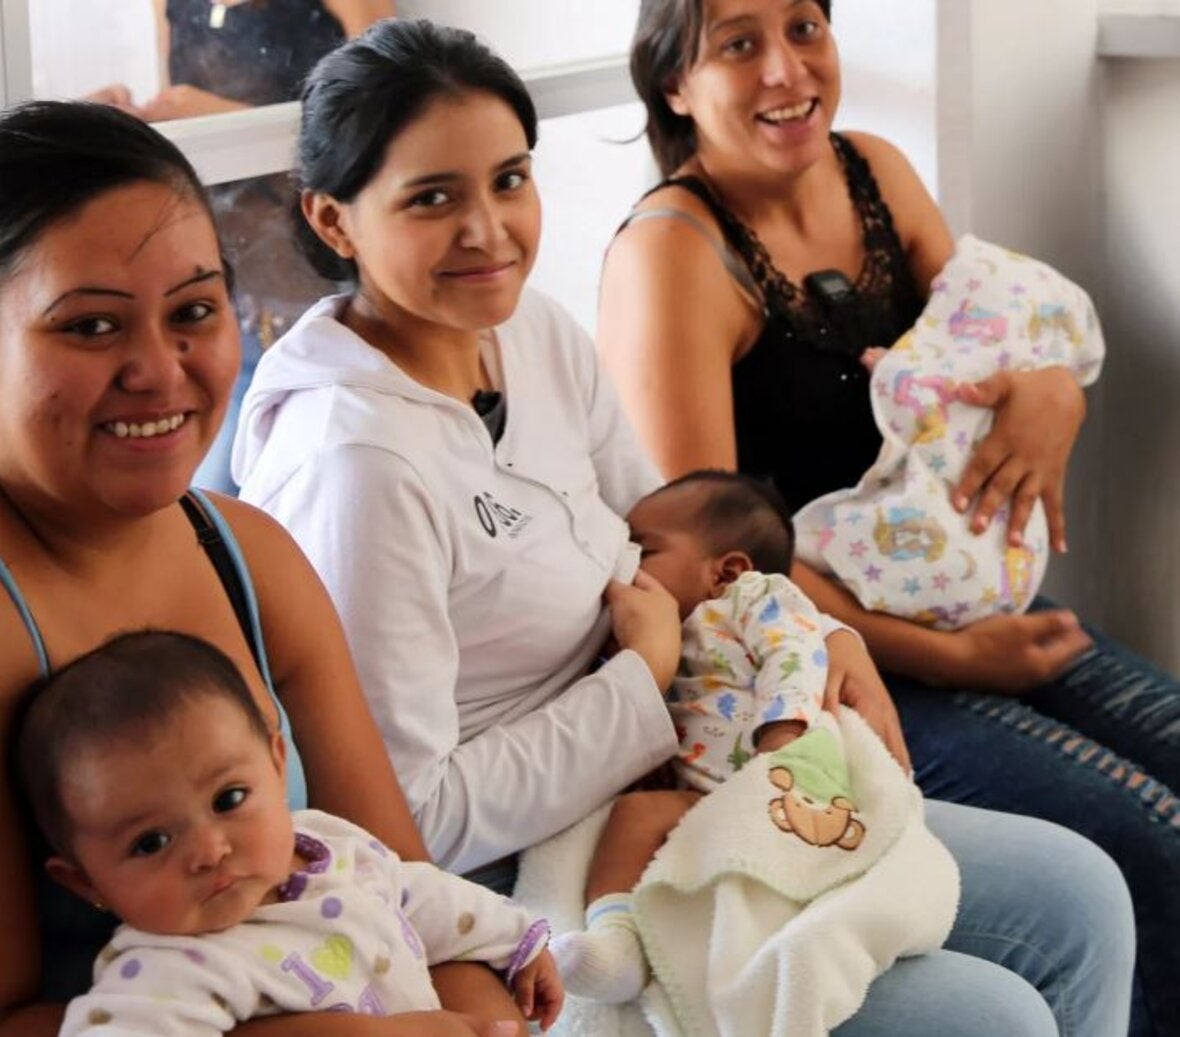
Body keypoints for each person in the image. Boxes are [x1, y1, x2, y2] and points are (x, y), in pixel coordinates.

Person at [231, 17, 1135, 1037]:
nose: (489, 229)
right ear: (334, 220)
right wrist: (638, 687)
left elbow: (663, 526)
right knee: (989, 1013)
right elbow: (409, 814)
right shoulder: (355, 464)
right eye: (432, 198)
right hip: (544, 865)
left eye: (510, 179)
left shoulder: (524, 331)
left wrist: (812, 628)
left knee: (1080, 891)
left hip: (682, 755)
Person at [0, 99, 539, 1037]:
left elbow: (408, 902)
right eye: (91, 327)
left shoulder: (245, 555)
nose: (160, 372)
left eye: (194, 312)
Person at [596, 0, 1176, 1032]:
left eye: (804, 28)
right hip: (825, 666)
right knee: (1151, 840)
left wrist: (1053, 388)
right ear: (674, 86)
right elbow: (721, 576)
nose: (786, 69)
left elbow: (982, 346)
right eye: (738, 43)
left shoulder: (872, 168)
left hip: (960, 610)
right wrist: (960, 662)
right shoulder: (671, 257)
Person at [14, 630, 562, 1035]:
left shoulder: (328, 846)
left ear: (277, 766)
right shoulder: (169, 969)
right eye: (150, 843)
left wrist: (515, 939)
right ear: (87, 884)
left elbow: (419, 894)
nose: (209, 850)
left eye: (228, 799)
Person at [89, 0, 396, 495]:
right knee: (205, 494)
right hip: (224, 293)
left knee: (308, 489)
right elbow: (188, 156)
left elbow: (388, 133)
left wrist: (225, 118)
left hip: (324, 293)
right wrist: (129, 125)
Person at [550, 469, 830, 1003]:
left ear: (726, 572)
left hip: (770, 783)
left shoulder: (754, 598)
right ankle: (621, 943)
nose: (626, 569)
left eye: (643, 551)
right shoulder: (660, 632)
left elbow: (796, 653)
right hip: (706, 797)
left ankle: (622, 938)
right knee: (636, 815)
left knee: (636, 820)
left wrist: (783, 737)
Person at [793, 235, 1106, 631]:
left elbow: (925, 396)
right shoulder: (698, 249)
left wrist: (1063, 393)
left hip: (975, 571)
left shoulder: (988, 356)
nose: (940, 290)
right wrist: (951, 658)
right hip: (855, 618)